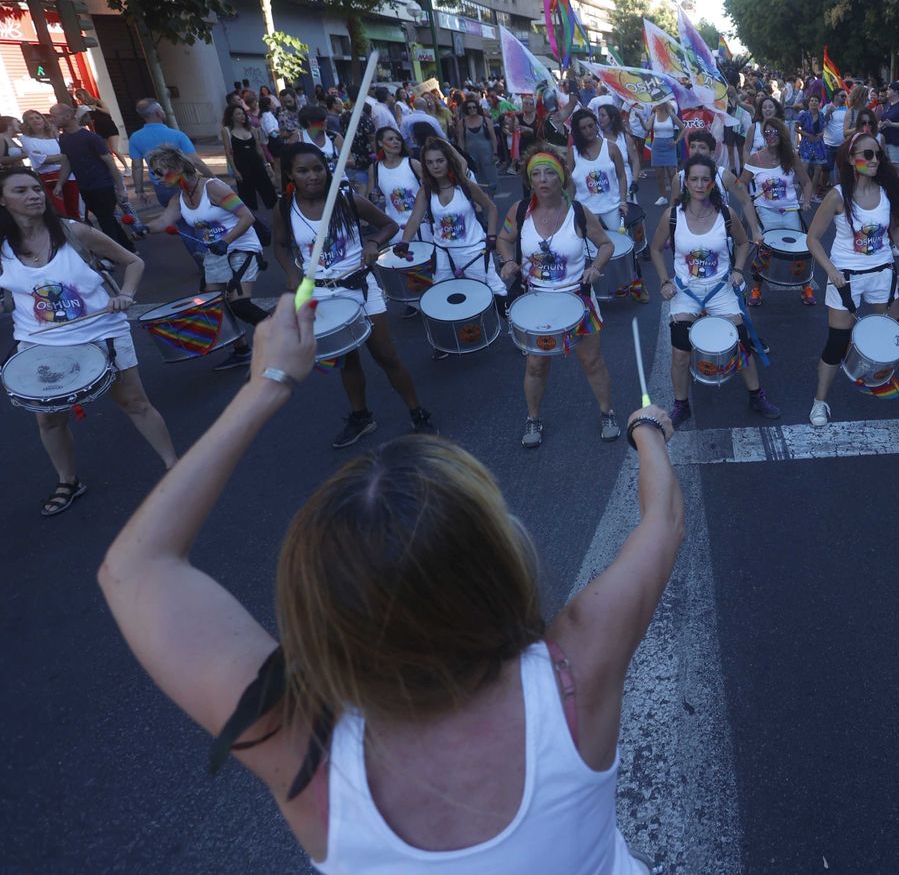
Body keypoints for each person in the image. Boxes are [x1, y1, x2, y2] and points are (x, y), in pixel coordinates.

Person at [98, 295, 677, 873]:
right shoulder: (574, 672)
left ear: (319, 608)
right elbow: (663, 521)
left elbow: (134, 568)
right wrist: (647, 431)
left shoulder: (297, 741)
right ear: (498, 563)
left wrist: (266, 385)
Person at [0, 165, 178, 515]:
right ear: (2, 201)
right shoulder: (3, 248)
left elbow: (133, 262)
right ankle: (68, 481)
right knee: (49, 419)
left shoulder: (74, 232)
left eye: (36, 189)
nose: (33, 195)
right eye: (20, 191)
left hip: (100, 332)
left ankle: (175, 466)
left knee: (134, 403)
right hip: (40, 342)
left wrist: (125, 294)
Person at [272, 144, 435, 445]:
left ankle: (417, 412)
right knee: (346, 359)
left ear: (327, 168)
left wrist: (373, 243)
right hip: (322, 292)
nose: (312, 176)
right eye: (303, 170)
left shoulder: (346, 198)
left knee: (385, 354)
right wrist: (291, 272)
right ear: (290, 174)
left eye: (317, 168)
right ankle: (361, 416)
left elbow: (388, 224)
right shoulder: (285, 207)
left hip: (360, 285)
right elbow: (280, 244)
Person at [496, 152, 621, 448]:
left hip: (578, 298)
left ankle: (607, 413)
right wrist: (506, 261)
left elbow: (605, 244)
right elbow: (503, 239)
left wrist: (595, 267)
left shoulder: (578, 211)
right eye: (536, 173)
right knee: (536, 366)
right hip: (535, 302)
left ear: (561, 177)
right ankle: (533, 418)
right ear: (529, 179)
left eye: (549, 173)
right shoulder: (520, 209)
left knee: (591, 362)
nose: (543, 180)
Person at [649, 154, 782, 424]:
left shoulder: (725, 214)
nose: (699, 185)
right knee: (680, 351)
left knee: (741, 344)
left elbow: (743, 243)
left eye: (705, 180)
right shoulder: (672, 216)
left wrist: (736, 270)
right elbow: (654, 248)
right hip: (686, 292)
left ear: (712, 184)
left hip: (720, 289)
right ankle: (681, 404)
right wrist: (664, 280)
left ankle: (756, 395)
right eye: (694, 179)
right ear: (685, 183)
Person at [806, 131, 899, 425]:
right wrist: (831, 270)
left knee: (895, 333)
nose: (874, 160)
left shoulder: (888, 191)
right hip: (845, 278)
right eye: (868, 154)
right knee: (837, 341)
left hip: (882, 274)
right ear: (851, 159)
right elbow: (812, 239)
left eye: (878, 155)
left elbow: (896, 227)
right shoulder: (837, 196)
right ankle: (820, 401)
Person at [146, 148, 263, 370]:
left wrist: (225, 242)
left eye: (160, 172)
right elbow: (163, 222)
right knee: (213, 304)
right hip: (217, 252)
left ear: (178, 168)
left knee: (239, 304)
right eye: (154, 173)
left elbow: (246, 217)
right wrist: (143, 229)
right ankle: (242, 350)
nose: (157, 178)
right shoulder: (178, 198)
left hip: (241, 246)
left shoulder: (213, 188)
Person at [396, 138, 504, 358]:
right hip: (444, 252)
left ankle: (517, 332)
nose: (435, 166)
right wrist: (404, 242)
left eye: (439, 161)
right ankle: (443, 342)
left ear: (449, 161)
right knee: (440, 295)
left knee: (494, 290)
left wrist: (491, 237)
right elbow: (415, 218)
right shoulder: (426, 191)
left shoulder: (465, 185)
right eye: (429, 162)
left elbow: (490, 208)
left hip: (473, 249)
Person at [737, 119, 816, 306]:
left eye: (774, 132)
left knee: (800, 250)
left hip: (790, 209)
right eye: (767, 134)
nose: (771, 137)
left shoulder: (790, 157)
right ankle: (756, 288)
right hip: (765, 210)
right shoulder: (755, 158)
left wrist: (806, 200)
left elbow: (806, 182)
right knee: (765, 249)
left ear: (782, 134)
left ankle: (806, 287)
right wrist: (746, 199)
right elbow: (740, 185)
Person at [50, 103, 134, 250]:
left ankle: (114, 254)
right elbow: (67, 162)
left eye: (54, 116)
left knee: (105, 220)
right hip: (84, 185)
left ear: (68, 116)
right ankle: (128, 246)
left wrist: (120, 187)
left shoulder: (91, 138)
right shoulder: (64, 139)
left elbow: (110, 163)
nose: (52, 119)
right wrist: (60, 184)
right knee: (107, 219)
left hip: (102, 185)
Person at [219, 103, 277, 237]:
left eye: (242, 114)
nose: (242, 116)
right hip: (242, 167)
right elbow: (229, 153)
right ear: (231, 117)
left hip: (257, 164)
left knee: (270, 194)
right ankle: (253, 224)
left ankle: (278, 221)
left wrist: (266, 165)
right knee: (247, 197)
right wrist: (235, 171)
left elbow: (258, 148)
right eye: (238, 114)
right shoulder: (227, 131)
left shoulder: (252, 129)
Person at [19, 109, 76, 220]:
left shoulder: (56, 136)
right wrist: (62, 157)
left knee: (74, 208)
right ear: (27, 123)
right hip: (48, 177)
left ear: (43, 120)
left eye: (37, 117)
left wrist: (60, 157)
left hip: (68, 174)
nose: (35, 120)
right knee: (60, 210)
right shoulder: (25, 139)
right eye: (31, 119)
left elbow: (70, 154)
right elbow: (41, 159)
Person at [454, 95, 500, 196]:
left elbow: (493, 137)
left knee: (489, 173)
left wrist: (495, 152)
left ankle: (491, 195)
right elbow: (461, 139)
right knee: (475, 175)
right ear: (466, 109)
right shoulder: (462, 122)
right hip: (471, 153)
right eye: (469, 108)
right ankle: (479, 195)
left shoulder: (486, 120)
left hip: (486, 152)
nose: (472, 109)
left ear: (477, 108)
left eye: (474, 107)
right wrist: (461, 155)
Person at [648, 101, 682, 206]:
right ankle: (663, 196)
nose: (657, 105)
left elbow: (683, 128)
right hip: (657, 146)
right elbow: (647, 128)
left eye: (660, 103)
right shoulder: (654, 115)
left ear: (665, 104)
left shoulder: (671, 114)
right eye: (656, 103)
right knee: (659, 174)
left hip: (669, 145)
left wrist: (676, 141)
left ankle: (676, 196)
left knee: (672, 173)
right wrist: (640, 118)